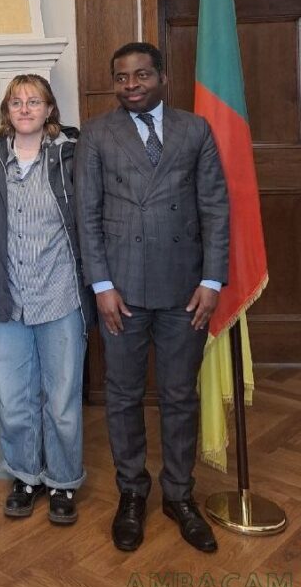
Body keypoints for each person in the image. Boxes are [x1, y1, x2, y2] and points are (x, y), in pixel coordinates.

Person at [74, 42, 228, 553]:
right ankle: (132, 492)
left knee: (180, 395)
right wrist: (101, 286)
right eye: (122, 78)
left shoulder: (194, 130)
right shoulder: (97, 133)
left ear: (162, 76)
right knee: (122, 395)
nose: (131, 85)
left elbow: (215, 208)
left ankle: (179, 495)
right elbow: (87, 215)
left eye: (141, 75)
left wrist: (212, 281)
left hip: (186, 290)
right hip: (121, 291)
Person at [0, 75, 96, 524]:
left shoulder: (70, 157)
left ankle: (63, 480)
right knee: (16, 398)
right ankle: (25, 476)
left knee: (61, 399)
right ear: (7, 111)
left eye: (34, 101)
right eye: (16, 102)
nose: (25, 109)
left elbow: (89, 220)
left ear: (49, 110)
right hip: (8, 295)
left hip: (59, 294)